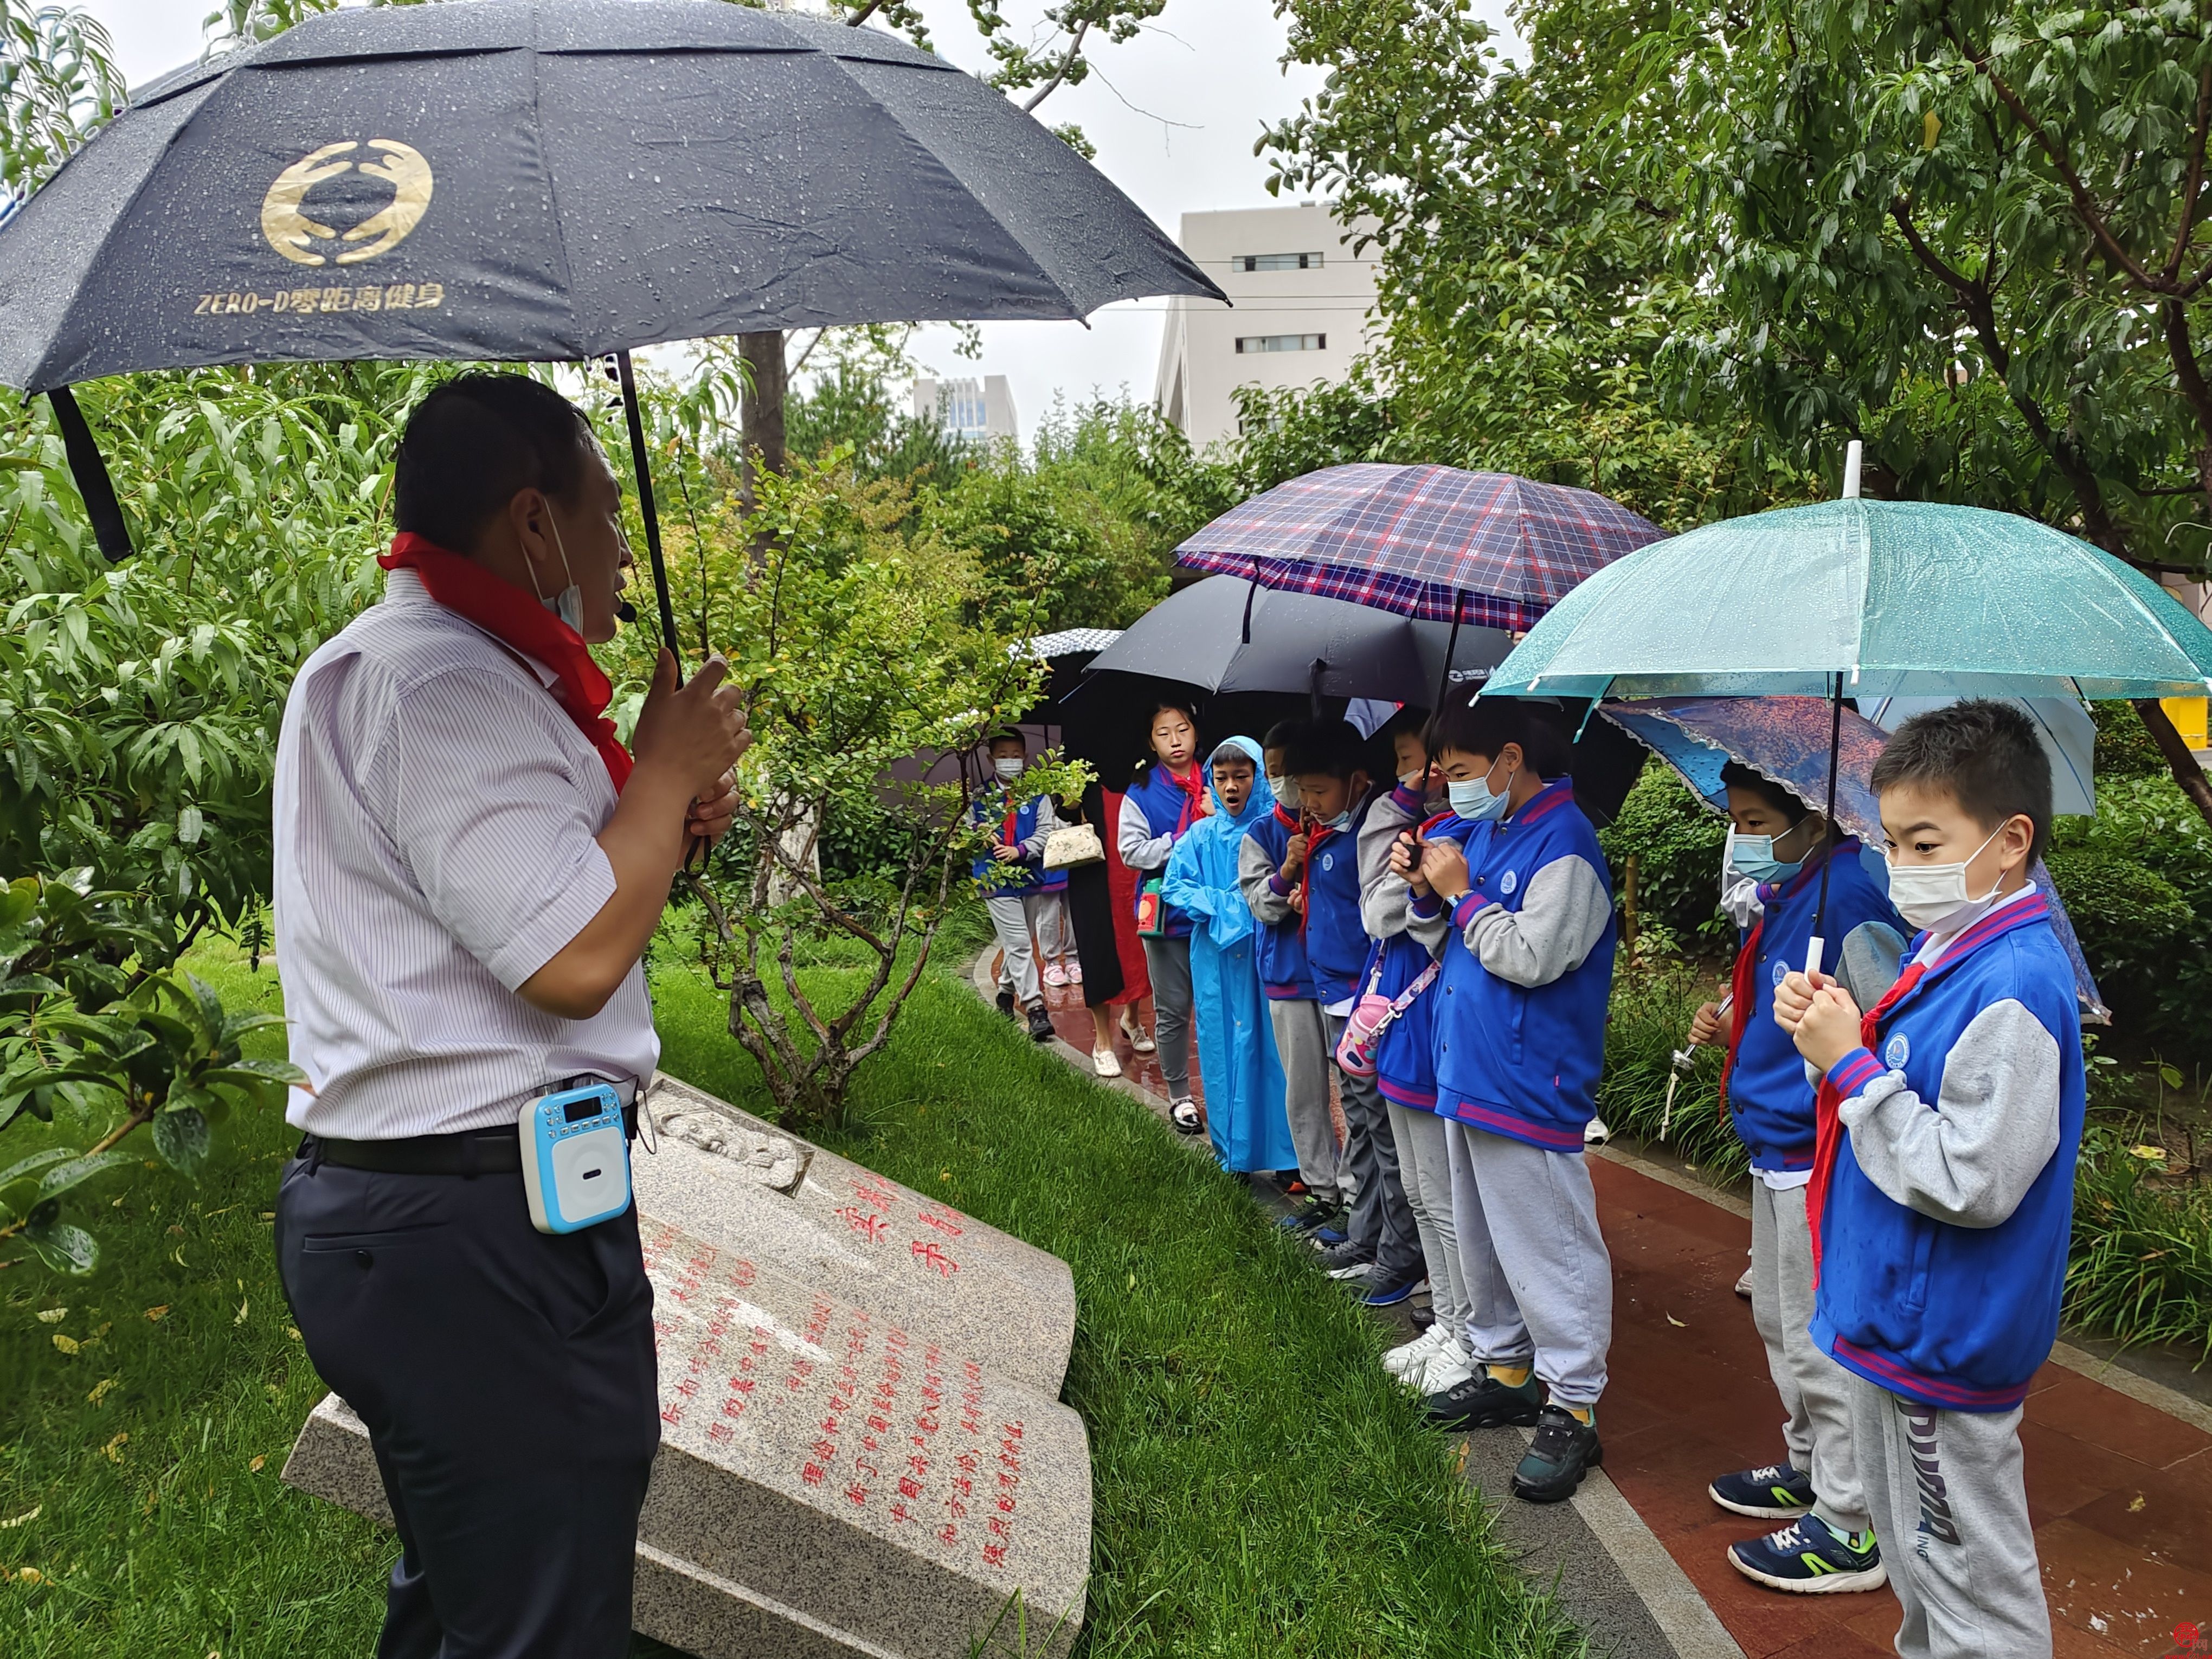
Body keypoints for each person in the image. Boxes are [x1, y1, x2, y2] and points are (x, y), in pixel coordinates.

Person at [271, 374, 753, 1658]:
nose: (617, 554)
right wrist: (659, 775)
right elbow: (574, 954)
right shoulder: (436, 684)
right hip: (469, 1238)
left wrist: (658, 813)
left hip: (458, 1228)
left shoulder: (459, 673)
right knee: (543, 1624)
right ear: (532, 524)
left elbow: (558, 891)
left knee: (476, 1596)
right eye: (604, 516)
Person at [1776, 700, 2080, 1659]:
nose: (1901, 866)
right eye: (1890, 841)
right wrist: (1841, 1029)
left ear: (2009, 840)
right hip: (1895, 1321)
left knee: (1970, 1594)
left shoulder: (2019, 982)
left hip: (1939, 1342)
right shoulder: (1950, 949)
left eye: (1924, 842)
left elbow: (1972, 1175)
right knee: (1921, 1570)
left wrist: (1852, 1069)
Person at [1686, 762, 1903, 1595]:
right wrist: (1734, 1021)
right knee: (1783, 1322)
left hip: (1815, 1154)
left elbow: (1875, 1020)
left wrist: (1831, 1066)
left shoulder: (1844, 894)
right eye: (1734, 819)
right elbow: (1792, 1001)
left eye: (1754, 820)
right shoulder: (1796, 892)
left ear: (1810, 818)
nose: (1741, 838)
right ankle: (1812, 1467)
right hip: (1775, 1145)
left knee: (1822, 1337)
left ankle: (1851, 1527)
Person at [1398, 697, 1616, 1504]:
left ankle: (1575, 1405)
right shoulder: (1489, 832)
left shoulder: (1568, 844)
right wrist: (1426, 889)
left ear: (1511, 760)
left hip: (1530, 1081)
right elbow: (1444, 937)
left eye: (1460, 772)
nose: (1452, 789)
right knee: (1488, 1240)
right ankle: (1507, 1369)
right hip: (1472, 1072)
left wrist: (1460, 895)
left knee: (1551, 1247)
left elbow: (1532, 956)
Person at [1282, 721, 1426, 1307]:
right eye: (1302, 791)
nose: (1308, 803)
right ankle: (1368, 1236)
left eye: (1318, 790)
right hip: (1334, 996)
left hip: (1365, 1003)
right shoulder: (1321, 836)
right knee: (1363, 1126)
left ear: (1357, 783)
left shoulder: (1372, 836)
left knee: (1384, 1133)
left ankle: (1398, 1253)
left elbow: (1377, 926)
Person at [1360, 711, 1476, 1393]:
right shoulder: (1416, 833)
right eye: (1410, 763)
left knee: (1445, 1195)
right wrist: (1404, 859)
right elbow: (1374, 915)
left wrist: (1423, 882)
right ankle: (1446, 1319)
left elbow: (1407, 919)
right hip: (1399, 1032)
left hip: (1434, 1027)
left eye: (1443, 767)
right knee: (1419, 1191)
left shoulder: (1461, 841)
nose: (1427, 776)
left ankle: (1469, 1334)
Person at [1162, 739, 1298, 1176]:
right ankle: (1232, 1154)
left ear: (1259, 778)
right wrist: (1224, 906)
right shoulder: (1200, 836)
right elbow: (1173, 885)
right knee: (1221, 1051)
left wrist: (1235, 907)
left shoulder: (1274, 832)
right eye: (1221, 779)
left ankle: (1287, 1157)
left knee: (1273, 1053)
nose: (1231, 787)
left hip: (1265, 956)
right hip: (1215, 962)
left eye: (1242, 776)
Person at [1237, 718, 1341, 1229]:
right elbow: (1260, 905)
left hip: (1342, 981)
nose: (1285, 784)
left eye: (1291, 773)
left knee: (1355, 1092)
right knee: (1304, 1091)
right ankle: (1323, 1189)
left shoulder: (1340, 825)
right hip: (1289, 978)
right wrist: (1287, 873)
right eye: (1274, 773)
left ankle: (1362, 1194)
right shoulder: (1262, 833)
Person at [1120, 699, 1208, 1132]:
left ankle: (1225, 1089)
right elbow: (1131, 852)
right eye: (1163, 733)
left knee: (1218, 1008)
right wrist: (1183, 838)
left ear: (1196, 732)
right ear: (1151, 742)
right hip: (1167, 914)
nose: (1176, 740)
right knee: (1173, 1010)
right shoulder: (1141, 791)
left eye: (1183, 729)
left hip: (1215, 914)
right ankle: (1179, 1095)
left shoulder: (1219, 777)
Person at [1059, 777, 1155, 1077]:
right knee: (1099, 951)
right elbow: (1065, 813)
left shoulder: (1144, 776)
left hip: (1137, 874)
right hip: (1095, 876)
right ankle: (1102, 1042)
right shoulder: (1079, 772)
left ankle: (1132, 1019)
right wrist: (1072, 793)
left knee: (1138, 953)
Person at [970, 730, 1062, 1044]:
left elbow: (1047, 831)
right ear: (990, 759)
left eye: (1015, 755)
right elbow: (962, 827)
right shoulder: (978, 797)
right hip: (994, 879)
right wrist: (978, 830)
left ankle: (1005, 994)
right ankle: (1036, 1008)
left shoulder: (1038, 794)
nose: (1010, 761)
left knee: (1020, 941)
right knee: (1021, 944)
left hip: (1031, 875)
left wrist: (1020, 851)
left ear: (1025, 757)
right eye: (1003, 755)